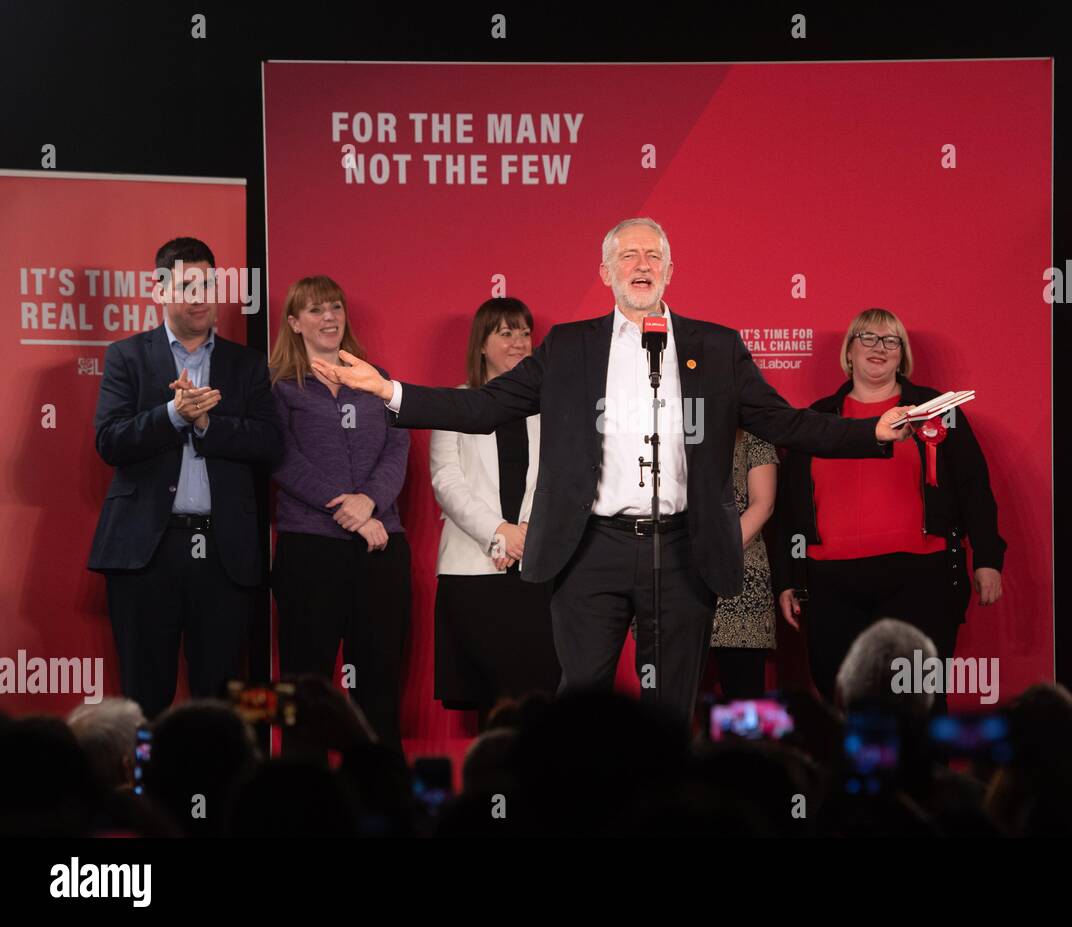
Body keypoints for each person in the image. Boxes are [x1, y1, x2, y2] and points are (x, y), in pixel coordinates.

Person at [312, 218, 913, 727]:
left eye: (653, 255)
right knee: (581, 707)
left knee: (672, 709)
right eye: (628, 255)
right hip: (590, 549)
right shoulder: (569, 349)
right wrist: (390, 391)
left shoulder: (718, 347)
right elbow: (485, 407)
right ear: (606, 274)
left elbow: (784, 424)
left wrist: (872, 430)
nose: (641, 263)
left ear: (670, 272)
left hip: (682, 549)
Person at [771, 307, 1005, 711]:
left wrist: (987, 558)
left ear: (902, 354)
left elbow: (973, 488)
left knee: (918, 701)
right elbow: (791, 505)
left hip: (919, 577)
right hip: (829, 580)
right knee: (839, 697)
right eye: (868, 338)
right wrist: (788, 579)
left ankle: (924, 776)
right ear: (849, 352)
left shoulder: (938, 409)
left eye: (891, 340)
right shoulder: (817, 419)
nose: (879, 348)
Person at [88, 237, 281, 719]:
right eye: (188, 284)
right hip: (146, 552)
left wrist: (207, 425)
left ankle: (213, 795)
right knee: (142, 696)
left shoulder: (247, 363)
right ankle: (143, 792)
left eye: (209, 284)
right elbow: (109, 441)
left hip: (224, 554)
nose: (201, 296)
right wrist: (172, 415)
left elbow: (269, 443)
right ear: (159, 289)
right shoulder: (126, 357)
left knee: (221, 703)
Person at [268, 276, 411, 752]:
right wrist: (347, 508)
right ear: (294, 323)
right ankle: (300, 798)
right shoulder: (279, 387)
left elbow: (397, 446)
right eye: (314, 311)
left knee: (380, 683)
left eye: (334, 308)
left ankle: (379, 801)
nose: (328, 318)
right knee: (302, 685)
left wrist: (369, 503)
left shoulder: (375, 379)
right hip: (309, 549)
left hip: (380, 545)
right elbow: (281, 458)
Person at [428, 298, 560, 714]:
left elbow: (560, 481)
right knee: (488, 699)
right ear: (482, 344)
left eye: (525, 332)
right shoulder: (456, 403)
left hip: (537, 571)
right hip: (473, 571)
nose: (520, 343)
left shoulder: (552, 408)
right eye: (507, 333)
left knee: (539, 697)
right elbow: (447, 481)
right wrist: (500, 533)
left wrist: (525, 535)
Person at [707, 430, 779, 699]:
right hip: (679, 576)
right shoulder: (670, 428)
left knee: (744, 699)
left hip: (741, 579)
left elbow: (763, 504)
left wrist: (713, 556)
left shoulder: (754, 434)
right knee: (669, 697)